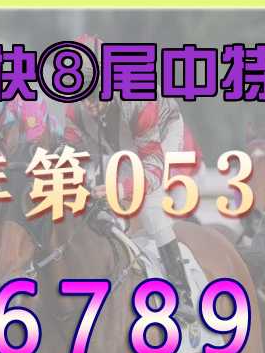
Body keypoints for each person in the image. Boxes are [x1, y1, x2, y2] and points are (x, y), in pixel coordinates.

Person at [63, 34, 196, 322]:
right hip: (120, 139)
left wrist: (120, 189)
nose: (88, 102)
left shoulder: (138, 98)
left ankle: (182, 290)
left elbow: (152, 165)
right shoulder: (74, 110)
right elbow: (72, 159)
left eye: (93, 91)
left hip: (160, 136)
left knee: (148, 205)